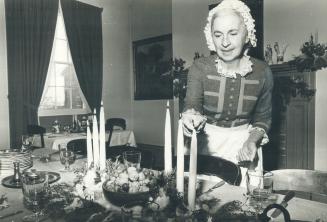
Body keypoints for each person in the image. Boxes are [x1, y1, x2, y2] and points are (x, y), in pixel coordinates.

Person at [182, 0, 273, 186]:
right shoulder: (200, 68)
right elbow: (192, 106)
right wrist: (191, 118)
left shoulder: (263, 72)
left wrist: (252, 141)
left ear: (247, 34)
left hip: (244, 144)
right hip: (205, 146)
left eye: (233, 33)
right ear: (211, 37)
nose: (224, 42)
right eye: (218, 34)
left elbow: (263, 117)